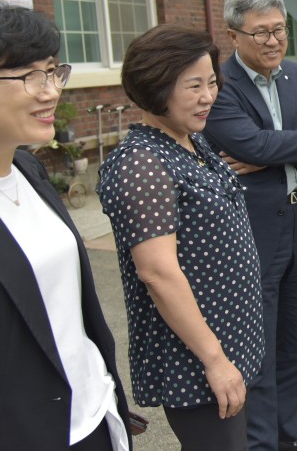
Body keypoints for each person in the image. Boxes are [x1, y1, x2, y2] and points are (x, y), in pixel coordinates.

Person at [0, 0, 132, 451]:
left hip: (94, 415)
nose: (50, 91)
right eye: (28, 76)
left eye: (52, 71)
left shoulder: (28, 169)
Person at [98, 24, 264, 450]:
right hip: (196, 357)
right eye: (194, 86)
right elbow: (157, 273)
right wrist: (214, 360)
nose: (208, 95)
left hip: (227, 340)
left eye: (212, 82)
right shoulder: (142, 163)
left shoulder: (190, 141)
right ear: (155, 87)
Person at [204, 0, 297, 451]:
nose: (272, 40)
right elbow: (250, 145)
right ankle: (260, 443)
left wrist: (274, 148)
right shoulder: (221, 87)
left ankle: (290, 432)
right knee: (257, 344)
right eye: (260, 32)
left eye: (279, 29)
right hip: (254, 229)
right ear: (233, 35)